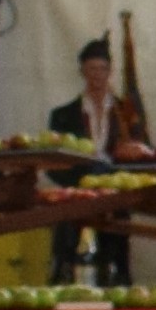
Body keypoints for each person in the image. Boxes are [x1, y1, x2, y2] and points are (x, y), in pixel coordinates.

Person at [62, 36, 130, 284]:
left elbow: (141, 150)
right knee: (69, 245)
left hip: (117, 190)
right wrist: (79, 184)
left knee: (116, 250)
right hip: (78, 188)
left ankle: (118, 282)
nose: (97, 75)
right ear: (82, 71)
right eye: (92, 68)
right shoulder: (63, 115)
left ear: (110, 71)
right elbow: (55, 162)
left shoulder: (127, 112)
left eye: (102, 68)